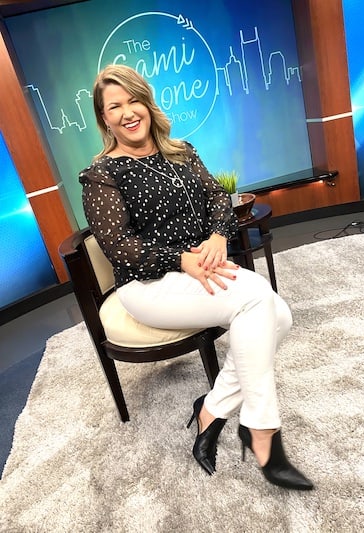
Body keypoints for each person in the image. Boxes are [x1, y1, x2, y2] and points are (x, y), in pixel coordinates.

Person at [79, 64, 313, 491]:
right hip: (148, 284)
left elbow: (218, 200)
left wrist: (220, 238)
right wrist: (181, 260)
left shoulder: (182, 151)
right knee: (261, 300)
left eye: (133, 100)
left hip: (201, 265)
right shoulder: (101, 175)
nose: (128, 112)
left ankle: (212, 408)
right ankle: (263, 434)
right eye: (115, 106)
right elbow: (118, 246)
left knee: (279, 317)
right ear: (105, 118)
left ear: (146, 103)